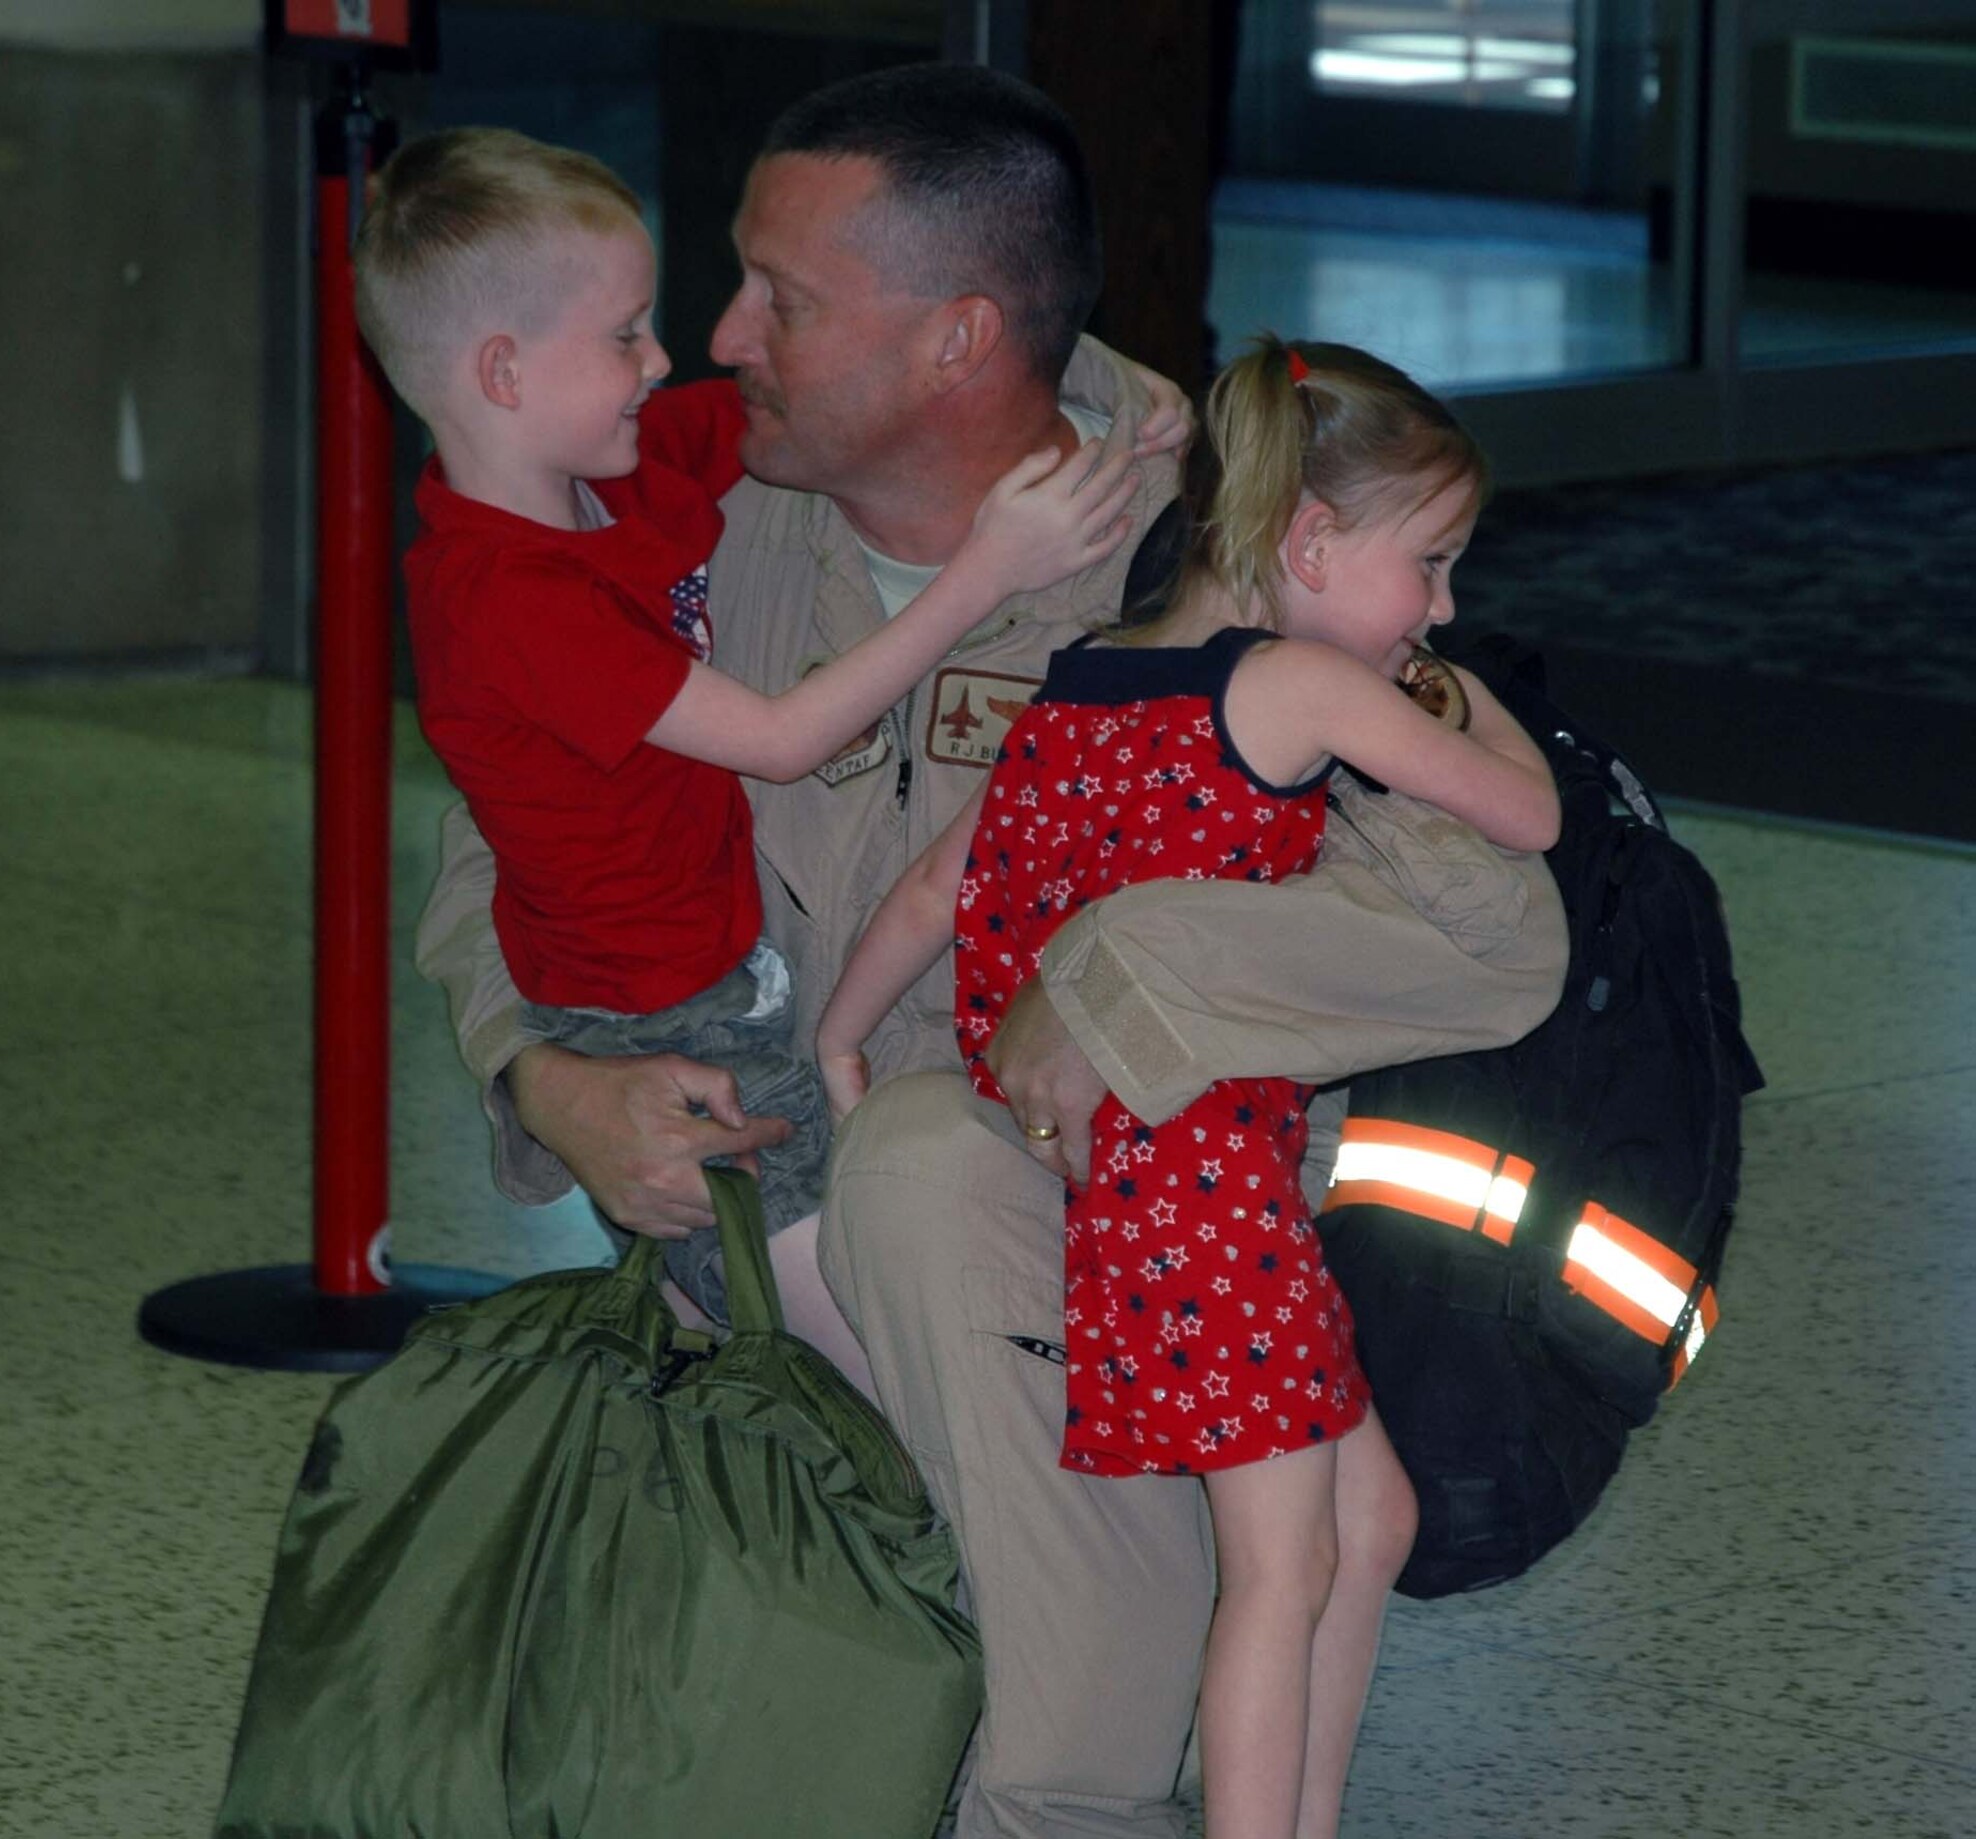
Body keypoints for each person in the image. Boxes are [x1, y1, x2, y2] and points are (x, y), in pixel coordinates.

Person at [416, 64, 1569, 1839]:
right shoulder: (673, 507)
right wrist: (546, 1075)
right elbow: (505, 819)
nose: (721, 340)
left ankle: (1067, 1786)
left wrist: (1114, 988)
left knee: (927, 1159)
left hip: (1147, 1228)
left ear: (958, 338)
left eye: (781, 299)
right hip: (785, 1220)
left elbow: (1493, 931)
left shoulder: (1237, 537)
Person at [816, 337, 1559, 1839]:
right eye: (1429, 564)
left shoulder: (1079, 684)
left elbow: (936, 885)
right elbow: (1527, 813)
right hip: (1209, 1190)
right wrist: (1444, 686)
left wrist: (842, 1037)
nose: (1441, 604)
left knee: (1375, 1516)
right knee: (1278, 1573)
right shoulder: (1291, 686)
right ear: (1310, 542)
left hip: (1153, 1191)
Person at [355, 126, 1140, 1367]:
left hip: (726, 977)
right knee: (842, 1346)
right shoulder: (505, 597)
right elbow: (778, 740)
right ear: (501, 372)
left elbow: (848, 404)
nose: (669, 358)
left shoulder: (604, 474)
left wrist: (1122, 422)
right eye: (623, 335)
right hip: (667, 1018)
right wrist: (993, 567)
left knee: (765, 1295)